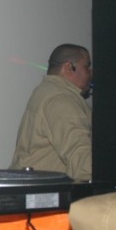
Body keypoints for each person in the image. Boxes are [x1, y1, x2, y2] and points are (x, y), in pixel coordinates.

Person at [9, 43, 93, 181]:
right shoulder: (61, 100)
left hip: (32, 187)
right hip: (44, 191)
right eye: (87, 66)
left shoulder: (47, 91)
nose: (91, 72)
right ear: (69, 68)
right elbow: (80, 155)